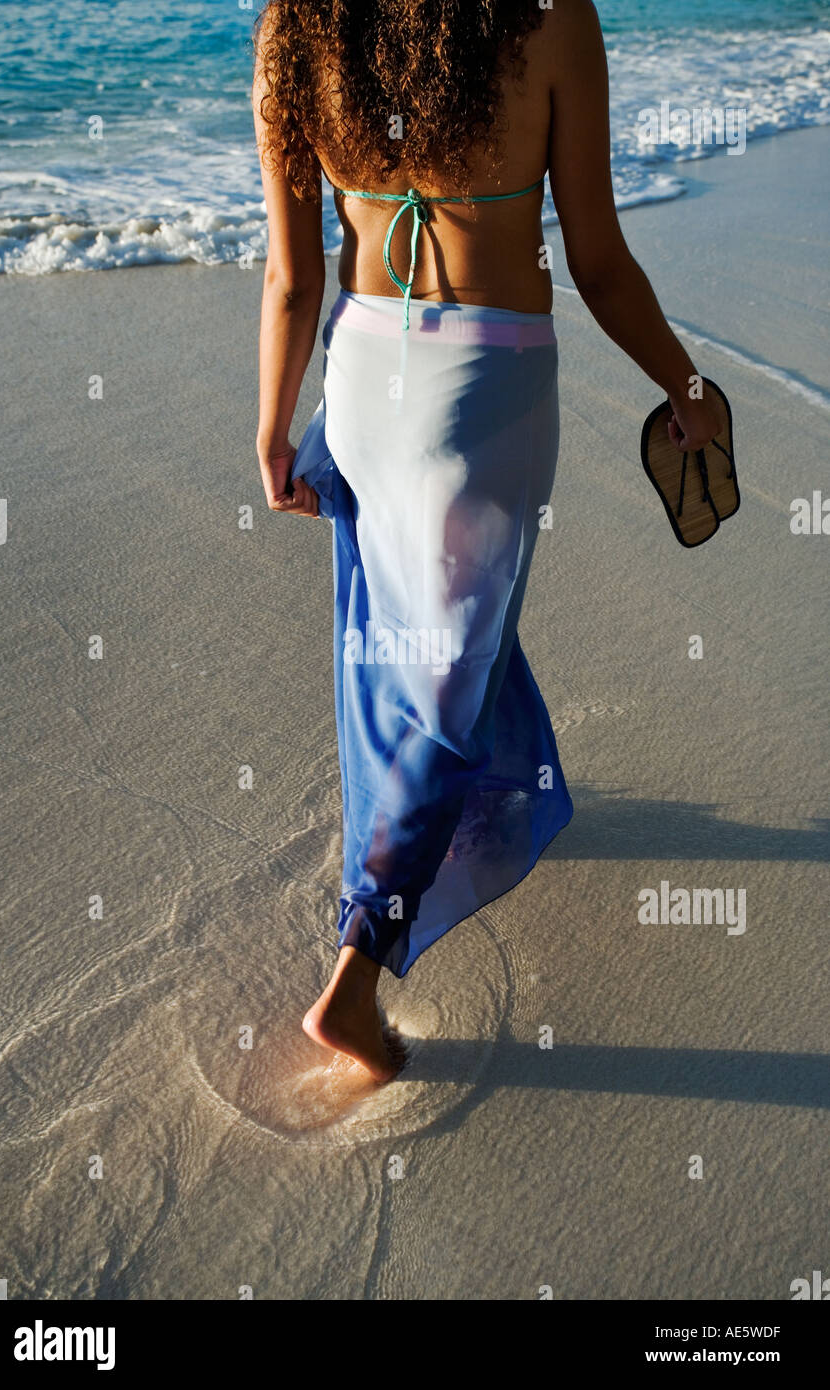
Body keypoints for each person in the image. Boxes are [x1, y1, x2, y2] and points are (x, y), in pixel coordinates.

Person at [252, 0, 725, 1083]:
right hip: (487, 382)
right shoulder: (550, 18)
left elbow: (292, 276)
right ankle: (357, 975)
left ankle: (483, 813)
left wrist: (272, 431)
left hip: (363, 371)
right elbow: (598, 261)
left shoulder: (294, 22)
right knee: (452, 655)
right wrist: (684, 385)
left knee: (412, 631)